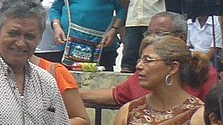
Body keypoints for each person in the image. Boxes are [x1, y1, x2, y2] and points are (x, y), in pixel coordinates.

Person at [82, 12, 219, 109]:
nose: (153, 38)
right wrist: (72, 96)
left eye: (160, 33)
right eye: (149, 33)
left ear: (181, 37)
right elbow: (117, 95)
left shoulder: (202, 72)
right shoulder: (145, 71)